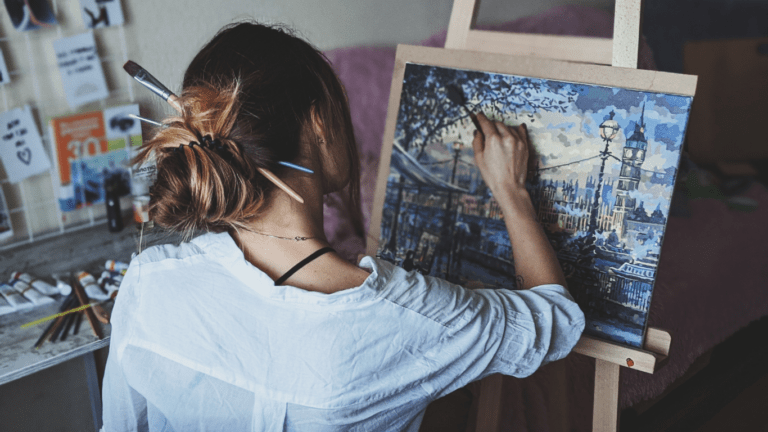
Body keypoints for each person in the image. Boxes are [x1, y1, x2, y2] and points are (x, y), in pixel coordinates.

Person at [101, 22, 585, 432]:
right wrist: (513, 192)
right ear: (317, 123)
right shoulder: (397, 314)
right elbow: (556, 322)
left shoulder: (150, 282)